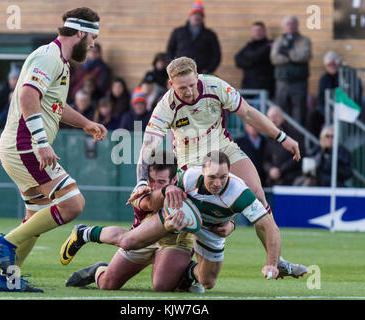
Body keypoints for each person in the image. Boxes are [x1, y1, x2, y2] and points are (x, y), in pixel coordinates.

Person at [127, 56, 305, 278]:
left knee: (258, 196)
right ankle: (189, 268)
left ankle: (275, 261)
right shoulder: (166, 105)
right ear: (171, 84)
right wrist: (142, 180)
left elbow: (248, 113)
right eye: (182, 88)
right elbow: (147, 145)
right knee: (196, 220)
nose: (189, 92)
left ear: (198, 76)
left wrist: (282, 138)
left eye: (192, 85)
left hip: (223, 150)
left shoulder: (215, 86)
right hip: (190, 162)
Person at [0, 7, 107, 293]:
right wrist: (41, 143)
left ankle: (9, 278)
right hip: (24, 145)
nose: (92, 44)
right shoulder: (49, 56)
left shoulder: (60, 62)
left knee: (36, 217)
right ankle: (4, 244)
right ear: (79, 32)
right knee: (73, 203)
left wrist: (86, 123)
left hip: (20, 145)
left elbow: (55, 106)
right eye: (92, 37)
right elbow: (29, 94)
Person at [61, 151, 307, 291]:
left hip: (200, 232)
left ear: (229, 174)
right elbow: (144, 204)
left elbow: (268, 226)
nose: (217, 183)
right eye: (212, 177)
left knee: (203, 283)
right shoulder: (184, 178)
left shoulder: (240, 193)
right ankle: (85, 235)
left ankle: (188, 272)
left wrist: (271, 263)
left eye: (223, 177)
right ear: (202, 171)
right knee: (117, 265)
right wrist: (166, 191)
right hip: (168, 221)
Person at [63, 151, 203, 293]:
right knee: (107, 284)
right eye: (151, 181)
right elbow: (150, 204)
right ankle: (94, 257)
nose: (154, 186)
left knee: (162, 286)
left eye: (161, 182)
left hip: (175, 241)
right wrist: (165, 189)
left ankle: (187, 272)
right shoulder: (142, 190)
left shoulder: (188, 184)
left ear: (174, 179)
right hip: (143, 235)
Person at [270, 15, 312, 126]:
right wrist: (293, 55)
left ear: (297, 25)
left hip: (299, 82)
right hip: (282, 81)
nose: (291, 26)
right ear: (284, 26)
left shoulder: (304, 40)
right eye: (288, 24)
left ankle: (298, 137)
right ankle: (281, 138)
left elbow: (304, 56)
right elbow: (274, 59)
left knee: (299, 112)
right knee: (280, 110)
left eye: (293, 23)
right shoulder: (279, 40)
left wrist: (286, 53)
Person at [166, 1, 221, 74]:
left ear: (202, 18)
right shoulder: (178, 32)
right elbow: (169, 51)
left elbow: (216, 55)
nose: (197, 16)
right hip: (180, 72)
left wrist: (208, 70)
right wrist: (174, 67)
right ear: (190, 16)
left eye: (200, 14)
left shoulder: (210, 35)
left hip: (201, 73)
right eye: (195, 14)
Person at [263, 106, 303, 187]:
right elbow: (265, 160)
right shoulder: (267, 136)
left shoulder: (294, 134)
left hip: (291, 180)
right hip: (272, 181)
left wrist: (280, 170)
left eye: (275, 116)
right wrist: (270, 170)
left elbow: (299, 155)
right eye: (270, 117)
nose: (273, 119)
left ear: (282, 117)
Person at [234, 21, 275, 99]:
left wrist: (249, 59)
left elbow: (257, 56)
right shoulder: (249, 46)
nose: (257, 32)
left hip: (264, 88)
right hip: (248, 87)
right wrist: (252, 62)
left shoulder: (270, 44)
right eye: (255, 30)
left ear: (264, 31)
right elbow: (237, 60)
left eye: (260, 30)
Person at [0, 62, 21, 129]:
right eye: (13, 78)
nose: (14, 81)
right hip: (2, 122)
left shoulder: (23, 91)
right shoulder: (2, 93)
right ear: (9, 79)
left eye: (16, 78)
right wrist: (10, 101)